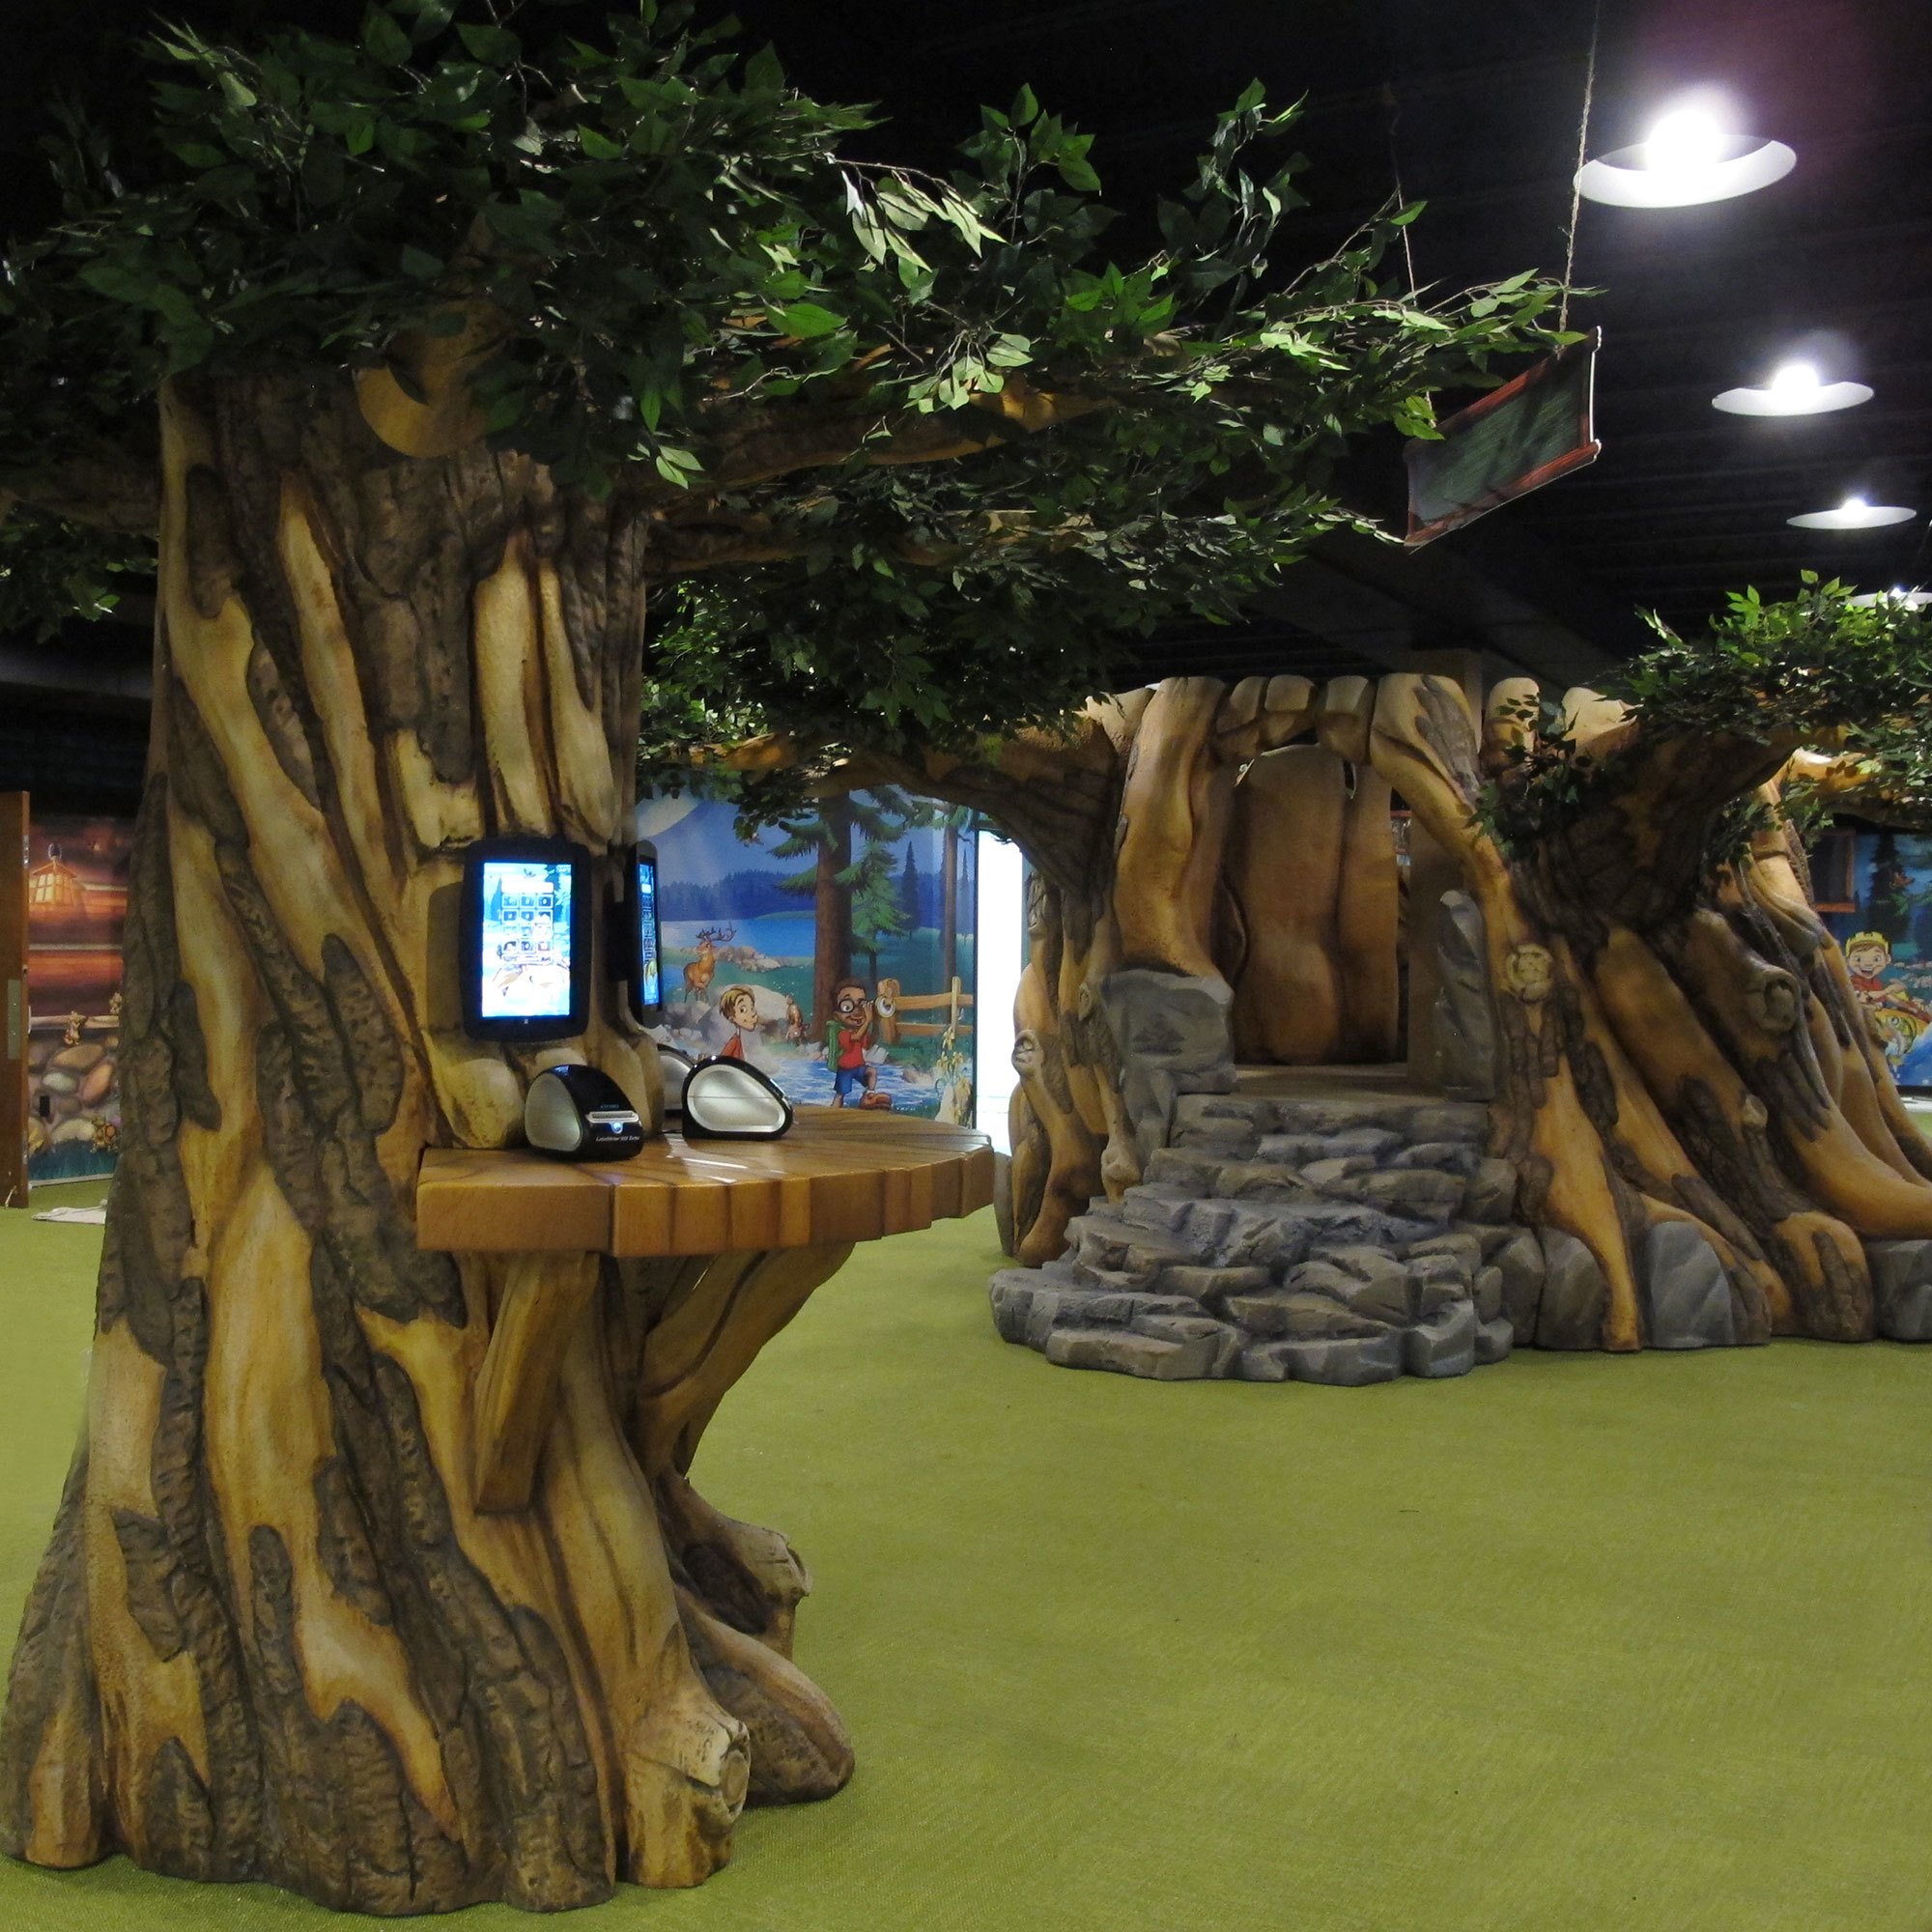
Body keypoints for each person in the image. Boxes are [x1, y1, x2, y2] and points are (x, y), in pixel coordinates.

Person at [824, 977, 880, 1106]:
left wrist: (876, 1022)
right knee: (840, 1094)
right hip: (845, 1069)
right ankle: (833, 1111)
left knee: (872, 1072)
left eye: (861, 1005)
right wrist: (867, 1021)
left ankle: (869, 1094)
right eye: (847, 1006)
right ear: (836, 1014)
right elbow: (855, 1038)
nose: (856, 1012)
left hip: (859, 1067)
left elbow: (870, 1042)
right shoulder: (842, 1033)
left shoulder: (859, 1031)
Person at [716, 985, 761, 1061]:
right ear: (732, 1019)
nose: (753, 1013)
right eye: (743, 1010)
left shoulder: (743, 1040)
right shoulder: (734, 1042)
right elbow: (721, 1061)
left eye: (752, 1008)